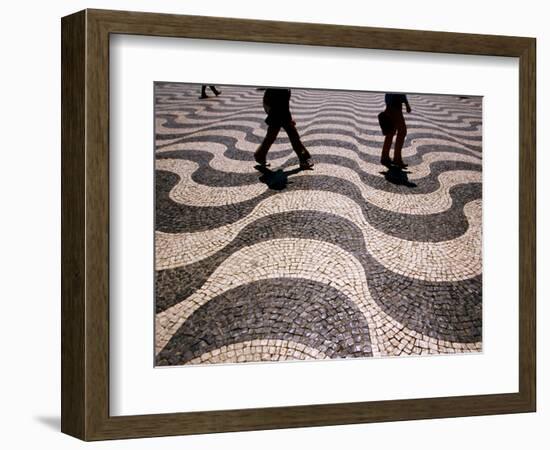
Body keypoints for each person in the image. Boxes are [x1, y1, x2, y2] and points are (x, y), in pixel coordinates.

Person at [254, 88, 313, 170]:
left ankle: (260, 155)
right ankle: (304, 160)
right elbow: (281, 104)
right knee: (294, 137)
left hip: (278, 114)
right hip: (278, 114)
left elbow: (280, 103)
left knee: (271, 137)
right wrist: (288, 120)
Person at [379, 93, 411, 168]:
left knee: (391, 132)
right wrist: (406, 103)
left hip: (392, 104)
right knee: (402, 131)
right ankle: (397, 158)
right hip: (395, 105)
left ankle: (385, 157)